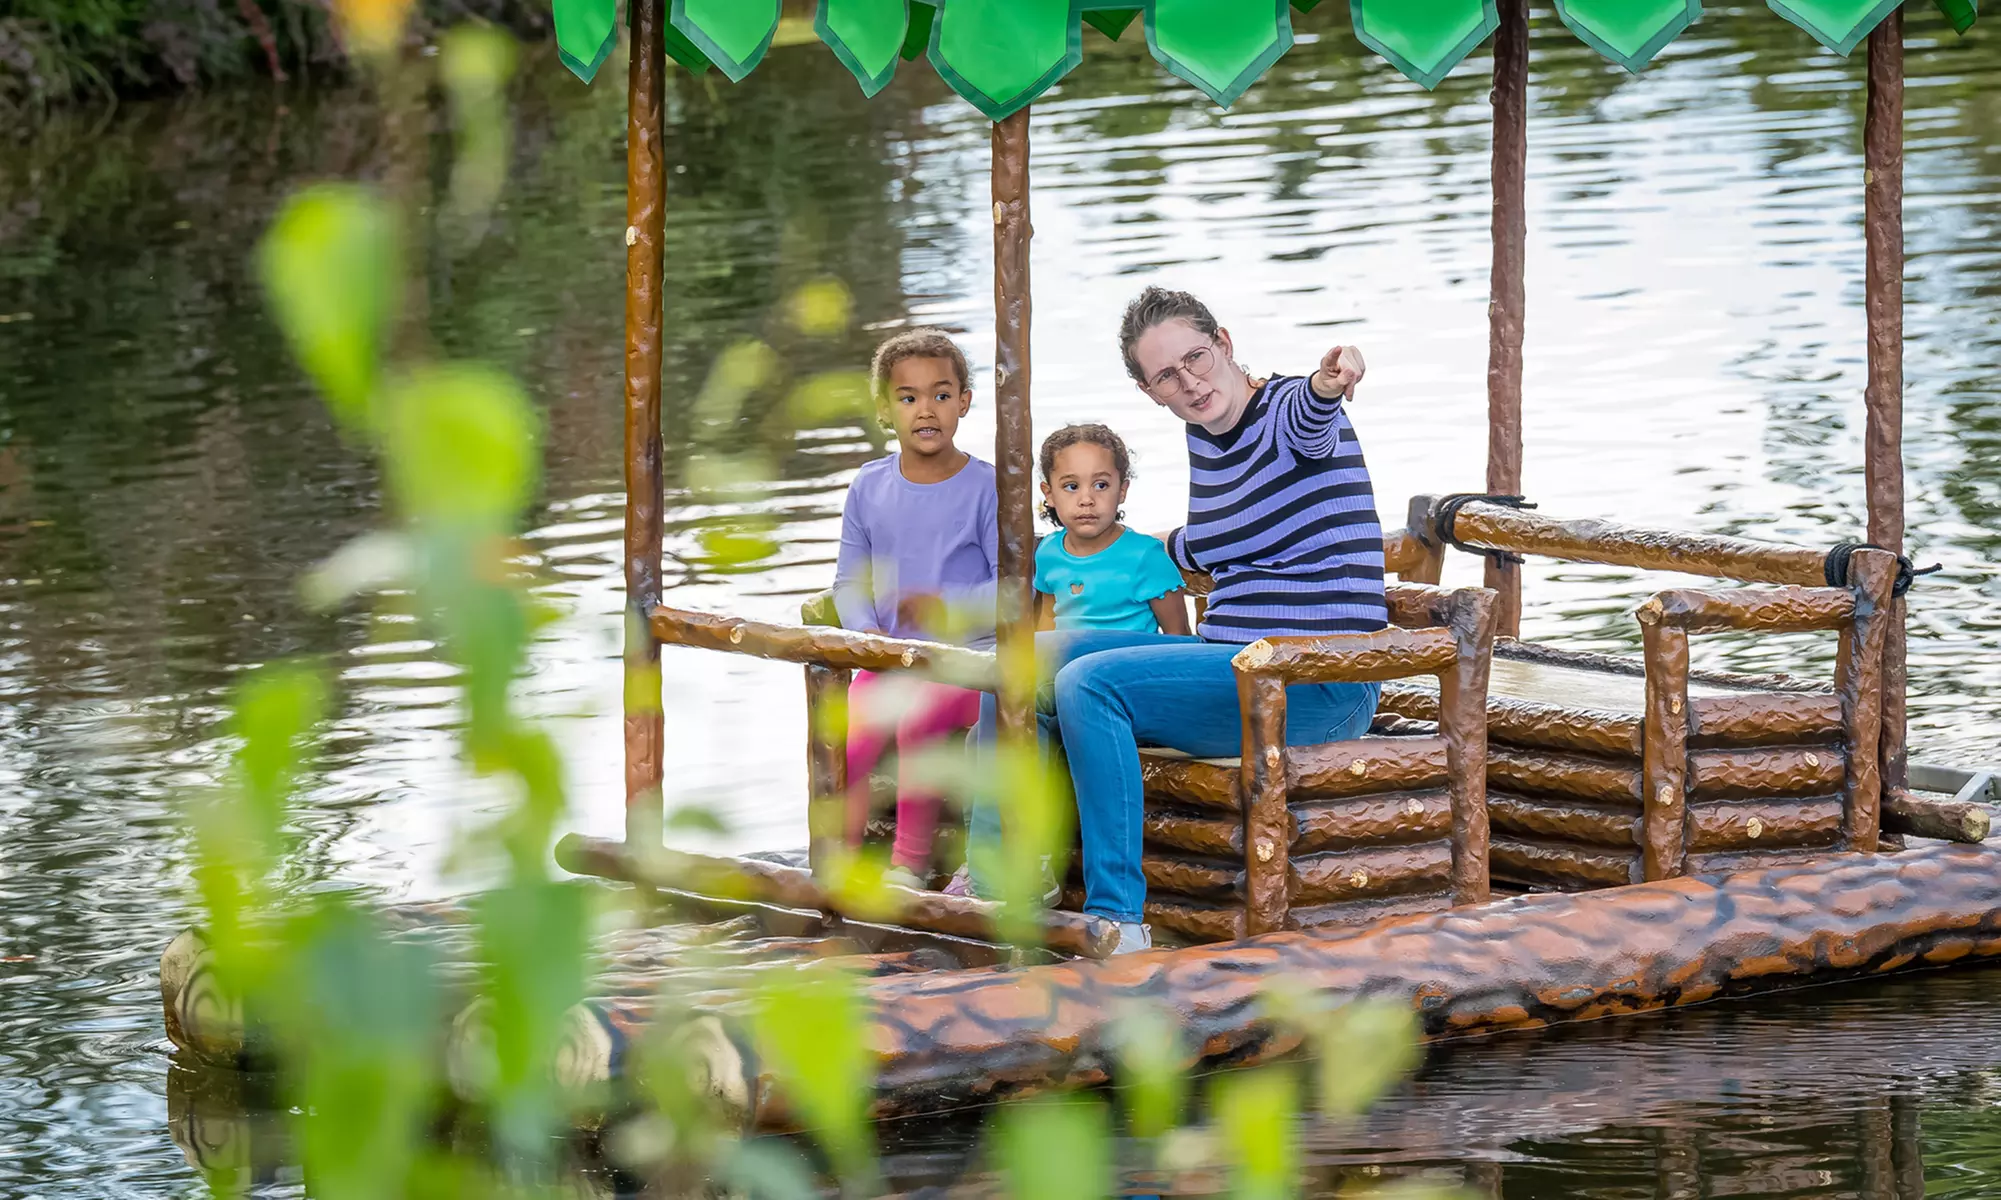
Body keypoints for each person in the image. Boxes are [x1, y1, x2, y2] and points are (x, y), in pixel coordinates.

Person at [963, 287, 1386, 953]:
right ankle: (998, 878)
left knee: (1089, 684)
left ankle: (1117, 919)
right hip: (1236, 665)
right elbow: (1223, 536)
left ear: (1222, 341)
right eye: (1166, 374)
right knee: (1018, 658)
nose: (1190, 382)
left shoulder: (1282, 409)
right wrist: (1167, 548)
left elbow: (1308, 417)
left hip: (1315, 682)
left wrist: (1328, 381)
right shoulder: (1206, 436)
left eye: (1196, 357)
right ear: (1147, 389)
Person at [832, 329, 997, 889]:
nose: (925, 410)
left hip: (969, 664)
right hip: (888, 660)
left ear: (964, 401)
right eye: (908, 397)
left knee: (918, 718)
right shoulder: (868, 486)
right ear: (885, 408)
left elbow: (1013, 589)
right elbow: (849, 581)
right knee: (846, 735)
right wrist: (866, 633)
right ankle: (840, 862)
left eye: (941, 395)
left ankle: (908, 862)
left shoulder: (988, 488)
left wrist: (948, 610)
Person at [1033, 423, 1190, 636]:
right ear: (1049, 494)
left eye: (1101, 485)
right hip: (1065, 664)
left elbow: (1178, 636)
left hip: (1129, 666)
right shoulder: (1047, 551)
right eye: (1071, 486)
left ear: (1122, 491)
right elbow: (1048, 621)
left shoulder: (1146, 556)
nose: (1086, 499)